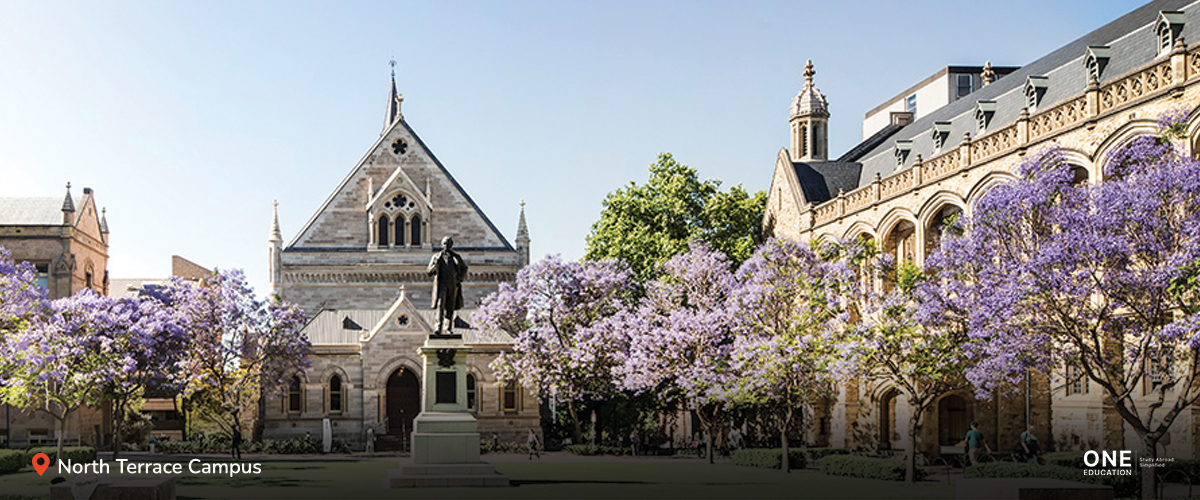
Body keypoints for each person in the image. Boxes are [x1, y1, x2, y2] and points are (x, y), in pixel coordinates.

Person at [427, 236, 468, 335]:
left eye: (448, 244)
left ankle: (448, 328)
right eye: (445, 243)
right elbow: (428, 271)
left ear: (451, 245)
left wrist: (459, 278)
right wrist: (434, 266)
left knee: (450, 307)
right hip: (441, 284)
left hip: (453, 285)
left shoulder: (456, 257)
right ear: (442, 245)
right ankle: (438, 327)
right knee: (440, 305)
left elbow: (464, 268)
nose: (446, 246)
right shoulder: (436, 257)